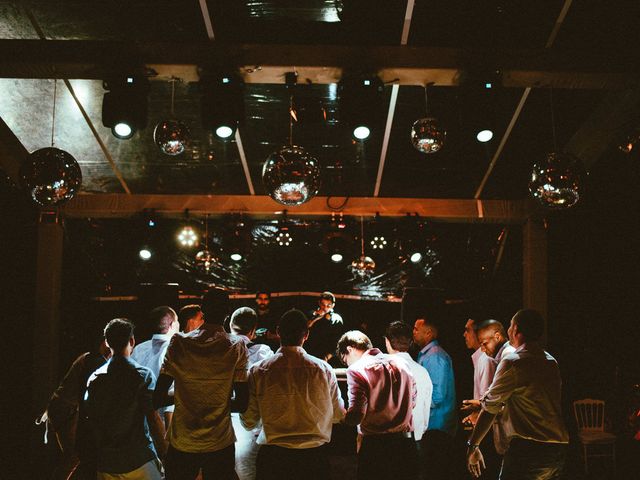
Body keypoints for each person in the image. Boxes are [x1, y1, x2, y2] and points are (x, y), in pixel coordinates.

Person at [154, 288, 249, 480]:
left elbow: (157, 397)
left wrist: (185, 396)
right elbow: (243, 403)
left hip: (183, 441)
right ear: (227, 312)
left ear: (203, 310)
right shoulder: (236, 347)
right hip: (219, 442)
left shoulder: (178, 343)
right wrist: (217, 400)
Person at [241, 309, 345, 480]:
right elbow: (338, 414)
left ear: (279, 332)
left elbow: (249, 422)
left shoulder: (258, 370)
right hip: (314, 459)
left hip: (274, 459)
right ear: (306, 335)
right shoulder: (324, 370)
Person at [466, 309, 569, 479]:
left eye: (510, 326)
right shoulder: (551, 362)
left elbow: (491, 407)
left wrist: (473, 445)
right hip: (557, 448)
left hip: (529, 448)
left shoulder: (514, 362)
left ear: (515, 329)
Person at [84, 319, 167, 480]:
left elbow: (91, 420)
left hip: (107, 462)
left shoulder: (94, 379)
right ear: (132, 341)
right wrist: (165, 452)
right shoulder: (142, 375)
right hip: (139, 459)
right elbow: (153, 418)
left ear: (107, 343)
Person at [337, 330, 418, 480]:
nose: (347, 364)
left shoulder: (356, 370)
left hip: (376, 448)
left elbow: (356, 415)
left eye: (345, 359)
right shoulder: (402, 363)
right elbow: (413, 400)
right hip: (406, 444)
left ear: (349, 349)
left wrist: (340, 416)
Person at [39, 331, 111, 480]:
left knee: (73, 456)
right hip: (66, 409)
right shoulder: (94, 360)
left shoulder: (90, 358)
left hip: (64, 408)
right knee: (73, 456)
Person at [229, 307, 274, 480]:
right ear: (253, 330)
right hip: (249, 418)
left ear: (231, 325)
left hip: (218, 415)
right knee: (245, 467)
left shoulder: (218, 347)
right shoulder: (263, 351)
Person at [412, 315, 456, 480]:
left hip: (437, 427)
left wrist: (413, 405)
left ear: (428, 333)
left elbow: (437, 396)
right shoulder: (427, 355)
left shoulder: (434, 357)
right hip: (432, 426)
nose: (413, 332)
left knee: (431, 472)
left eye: (416, 329)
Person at [131, 306, 180, 428]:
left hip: (139, 423)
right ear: (172, 324)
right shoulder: (176, 349)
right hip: (163, 424)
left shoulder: (138, 349)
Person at [384, 321, 433, 443]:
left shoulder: (382, 370)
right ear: (411, 343)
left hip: (387, 440)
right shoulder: (423, 372)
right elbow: (426, 410)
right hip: (416, 440)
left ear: (387, 341)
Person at [305, 291, 345, 362]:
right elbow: (306, 328)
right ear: (319, 303)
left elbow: (338, 341)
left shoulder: (336, 319)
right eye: (323, 305)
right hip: (310, 354)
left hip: (327, 358)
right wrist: (317, 317)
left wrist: (327, 357)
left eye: (328, 305)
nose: (325, 308)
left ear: (333, 305)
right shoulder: (311, 314)